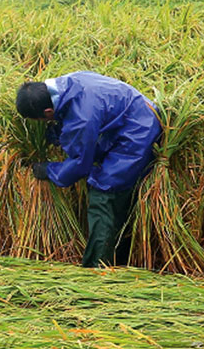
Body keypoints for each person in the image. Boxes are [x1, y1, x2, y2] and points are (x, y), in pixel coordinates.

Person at [15, 71, 162, 268]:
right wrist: (60, 134)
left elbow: (80, 164)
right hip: (129, 117)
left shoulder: (81, 118)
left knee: (104, 194)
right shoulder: (68, 82)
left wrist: (49, 170)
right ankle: (120, 258)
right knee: (108, 186)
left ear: (48, 113)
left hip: (139, 131)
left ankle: (96, 268)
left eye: (43, 121)